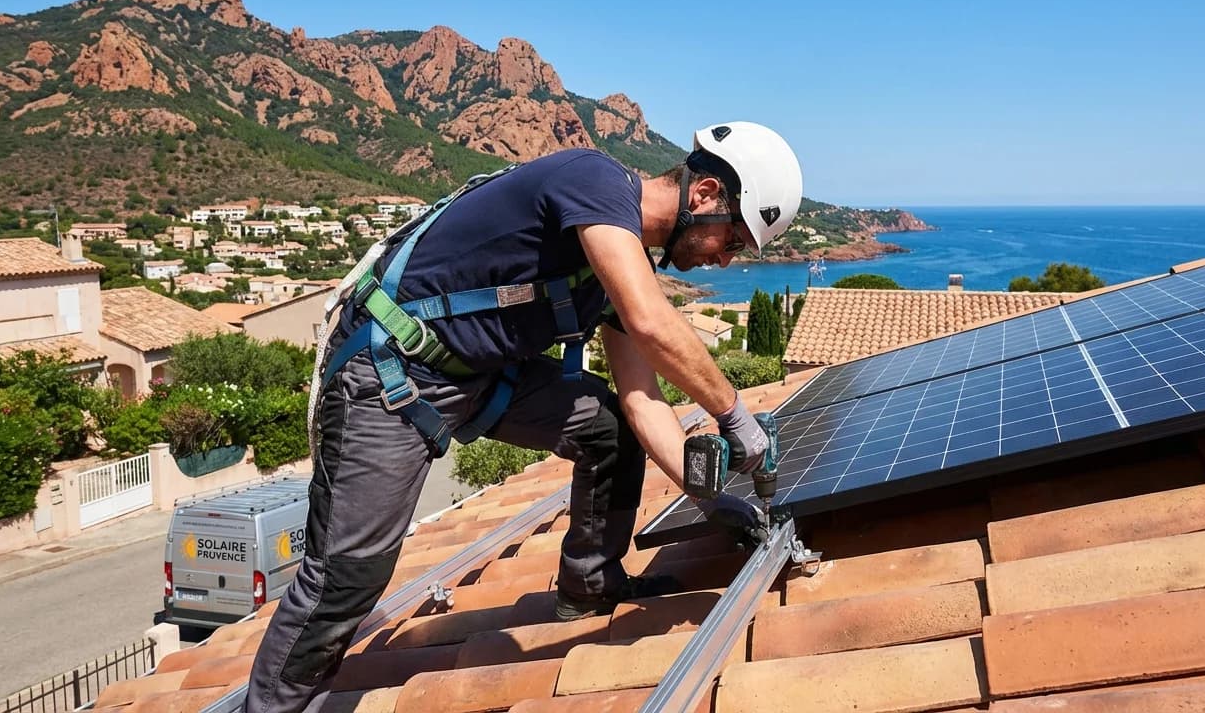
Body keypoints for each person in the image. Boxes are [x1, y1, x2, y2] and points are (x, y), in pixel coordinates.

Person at [246, 121, 803, 711]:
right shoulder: (594, 180)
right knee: (347, 575)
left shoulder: (619, 259)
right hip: (392, 372)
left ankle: (590, 584)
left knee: (606, 427)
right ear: (707, 194)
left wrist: (713, 499)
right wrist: (734, 414)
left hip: (477, 376)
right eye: (733, 242)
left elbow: (644, 404)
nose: (725, 260)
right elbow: (651, 322)